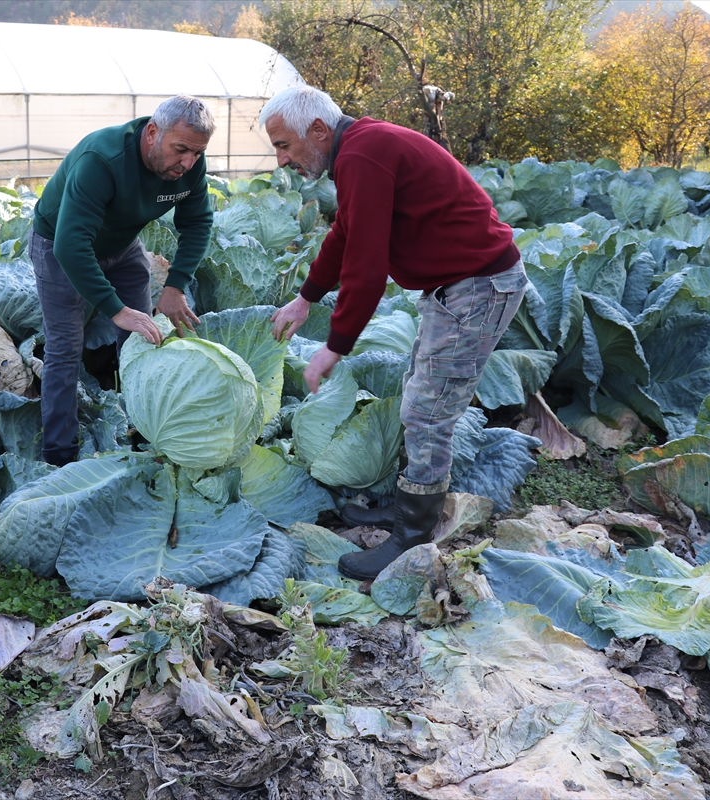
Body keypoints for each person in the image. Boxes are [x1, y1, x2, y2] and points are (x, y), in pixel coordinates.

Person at [262, 85, 526, 580]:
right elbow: (345, 232)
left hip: (479, 287)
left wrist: (333, 348)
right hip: (457, 287)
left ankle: (412, 535)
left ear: (318, 130)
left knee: (428, 411)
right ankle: (406, 509)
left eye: (284, 145)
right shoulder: (359, 149)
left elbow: (366, 264)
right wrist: (307, 296)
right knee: (417, 397)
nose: (281, 159)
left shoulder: (364, 153)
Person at [29, 95, 215, 467]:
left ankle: (140, 432)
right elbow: (71, 245)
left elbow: (197, 223)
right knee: (65, 347)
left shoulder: (190, 162)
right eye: (180, 150)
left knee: (142, 342)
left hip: (123, 243)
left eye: (196, 153)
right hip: (59, 245)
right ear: (151, 134)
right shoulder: (102, 161)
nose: (188, 163)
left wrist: (176, 286)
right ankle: (58, 456)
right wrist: (116, 309)